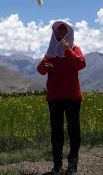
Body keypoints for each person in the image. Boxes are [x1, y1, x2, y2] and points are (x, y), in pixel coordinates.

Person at [37, 20, 86, 175]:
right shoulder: (50, 52)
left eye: (64, 30)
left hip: (73, 97)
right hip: (55, 98)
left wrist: (67, 50)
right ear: (55, 33)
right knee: (56, 133)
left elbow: (80, 64)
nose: (61, 32)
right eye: (58, 30)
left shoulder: (75, 49)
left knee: (74, 131)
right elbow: (41, 70)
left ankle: (73, 164)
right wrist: (49, 61)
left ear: (69, 32)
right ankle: (57, 166)